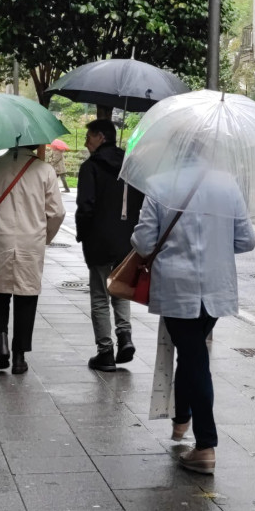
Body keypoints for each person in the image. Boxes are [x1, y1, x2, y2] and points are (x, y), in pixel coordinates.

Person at [131, 170, 255, 475]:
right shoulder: (227, 183)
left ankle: (205, 446)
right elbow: (246, 240)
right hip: (215, 286)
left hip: (177, 286)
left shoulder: (160, 183)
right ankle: (181, 418)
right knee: (192, 353)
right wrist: (215, 247)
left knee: (194, 358)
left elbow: (145, 242)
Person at [0, 146, 65, 374]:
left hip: (0, 237)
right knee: (27, 295)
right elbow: (56, 212)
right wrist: (45, 236)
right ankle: (19, 357)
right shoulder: (45, 170)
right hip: (31, 240)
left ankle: (2, 339)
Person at [76, 120, 144, 371]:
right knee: (120, 286)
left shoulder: (91, 167)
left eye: (89, 137)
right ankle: (124, 337)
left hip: (99, 239)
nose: (85, 142)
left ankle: (105, 351)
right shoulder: (131, 167)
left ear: (101, 137)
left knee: (100, 295)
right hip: (127, 240)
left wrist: (82, 234)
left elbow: (85, 206)